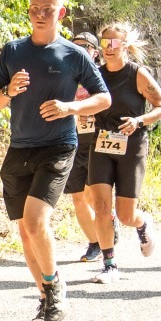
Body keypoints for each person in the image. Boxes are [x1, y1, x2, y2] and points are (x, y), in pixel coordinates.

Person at [0, 0, 111, 321]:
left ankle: (55, 287)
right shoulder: (13, 51)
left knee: (36, 221)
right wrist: (8, 91)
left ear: (61, 13)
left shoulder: (74, 55)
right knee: (26, 231)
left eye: (48, 9)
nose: (40, 14)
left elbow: (104, 98)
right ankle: (45, 298)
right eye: (34, 8)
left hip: (58, 146)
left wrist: (71, 107)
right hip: (19, 148)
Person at [84, 22, 161, 284]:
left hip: (132, 146)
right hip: (102, 143)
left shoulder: (137, 74)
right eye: (104, 42)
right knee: (101, 206)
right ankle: (110, 265)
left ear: (125, 45)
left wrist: (139, 121)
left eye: (114, 42)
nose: (108, 47)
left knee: (125, 215)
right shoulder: (95, 75)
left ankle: (142, 224)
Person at [64, 31, 106, 265]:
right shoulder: (65, 74)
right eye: (75, 45)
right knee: (78, 197)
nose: (79, 50)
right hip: (72, 140)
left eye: (84, 46)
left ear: (95, 52)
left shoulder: (102, 75)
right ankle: (95, 242)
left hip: (97, 140)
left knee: (93, 195)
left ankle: (107, 225)